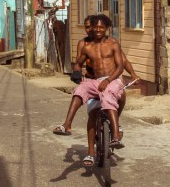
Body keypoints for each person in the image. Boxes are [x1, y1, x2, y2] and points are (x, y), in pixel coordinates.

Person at [52, 14, 125, 165]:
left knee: (108, 96)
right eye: (95, 27)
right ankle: (67, 124)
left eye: (101, 27)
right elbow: (77, 63)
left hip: (112, 80)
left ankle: (116, 136)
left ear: (106, 28)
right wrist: (77, 73)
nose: (98, 30)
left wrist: (108, 80)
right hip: (94, 81)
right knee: (79, 90)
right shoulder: (87, 47)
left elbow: (120, 67)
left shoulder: (113, 44)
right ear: (91, 28)